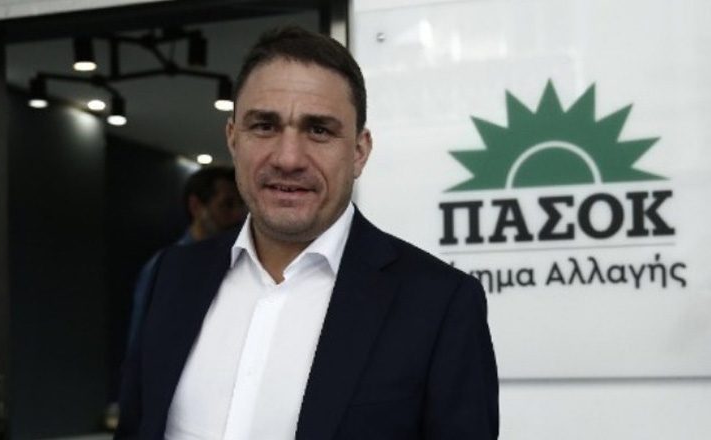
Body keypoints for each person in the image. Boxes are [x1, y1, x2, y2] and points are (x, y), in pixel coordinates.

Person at [115, 26, 498, 440]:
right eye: (265, 126)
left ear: (359, 152)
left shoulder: (439, 303)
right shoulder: (173, 276)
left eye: (319, 130)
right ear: (233, 138)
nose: (288, 158)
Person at [125, 166, 246, 350]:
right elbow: (141, 339)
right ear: (196, 206)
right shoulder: (165, 265)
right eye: (227, 205)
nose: (238, 215)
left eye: (241, 204)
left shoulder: (239, 261)